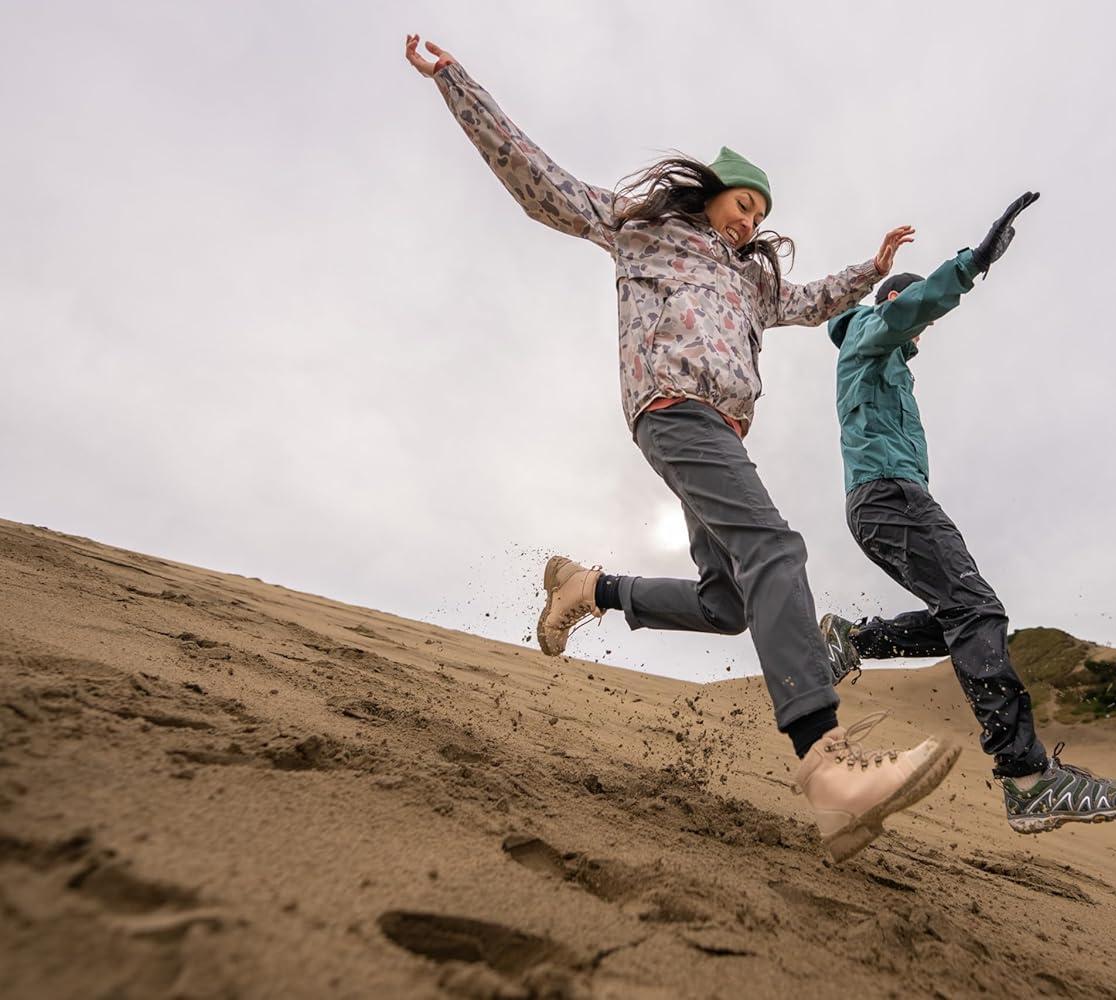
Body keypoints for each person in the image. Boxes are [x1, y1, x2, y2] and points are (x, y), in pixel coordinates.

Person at [406, 35, 959, 862]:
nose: (751, 222)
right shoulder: (645, 233)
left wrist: (868, 270)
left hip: (720, 431)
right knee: (775, 549)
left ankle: (589, 588)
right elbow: (539, 181)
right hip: (671, 409)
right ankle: (828, 769)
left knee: (729, 604)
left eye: (762, 216)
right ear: (711, 191)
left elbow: (809, 301)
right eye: (744, 203)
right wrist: (455, 82)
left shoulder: (750, 281)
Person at [819, 193, 1116, 834]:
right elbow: (907, 308)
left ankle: (852, 641)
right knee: (978, 612)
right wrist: (972, 264)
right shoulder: (869, 330)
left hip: (885, 501)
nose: (923, 329)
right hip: (890, 497)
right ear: (895, 302)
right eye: (916, 313)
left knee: (960, 617)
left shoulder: (887, 362)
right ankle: (1028, 778)